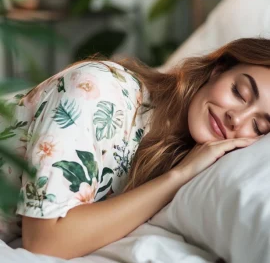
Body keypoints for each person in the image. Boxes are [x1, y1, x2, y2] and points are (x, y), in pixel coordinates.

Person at [3, 38, 269, 259]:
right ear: (218, 70)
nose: (237, 118)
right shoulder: (100, 88)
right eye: (240, 92)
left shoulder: (179, 155)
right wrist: (177, 178)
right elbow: (45, 240)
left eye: (258, 126)